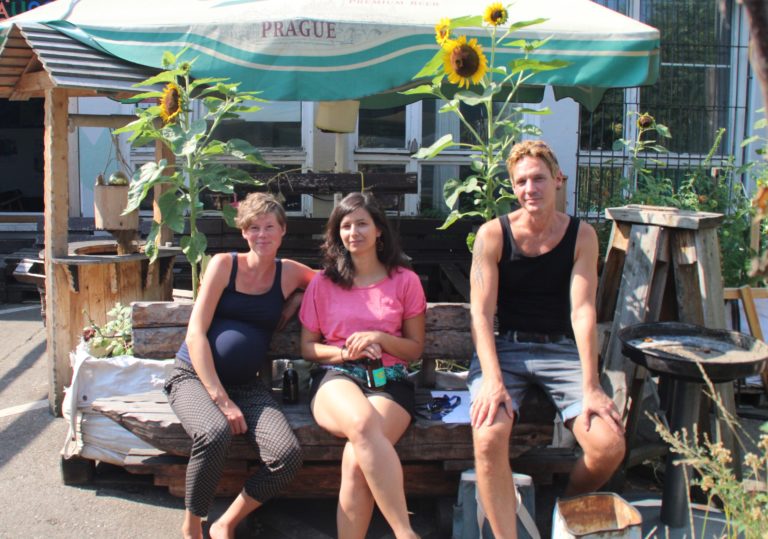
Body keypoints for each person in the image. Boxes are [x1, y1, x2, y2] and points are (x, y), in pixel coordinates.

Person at [468, 140, 626, 538]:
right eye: (521, 182)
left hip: (561, 350)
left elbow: (582, 311)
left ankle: (564, 510)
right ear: (513, 187)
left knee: (608, 446)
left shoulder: (581, 235)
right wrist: (492, 380)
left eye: (538, 178)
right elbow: (481, 314)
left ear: (558, 180)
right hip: (506, 349)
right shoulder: (493, 234)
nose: (530, 189)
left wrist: (591, 386)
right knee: (488, 435)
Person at [164, 193, 316, 539]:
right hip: (194, 378)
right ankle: (192, 526)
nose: (261, 234)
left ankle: (226, 522)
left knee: (287, 455)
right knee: (214, 432)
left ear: (283, 231)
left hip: (247, 385)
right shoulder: (224, 265)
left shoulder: (288, 273)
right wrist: (222, 400)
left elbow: (328, 282)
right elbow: (196, 334)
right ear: (244, 233)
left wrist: (298, 296)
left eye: (269, 227)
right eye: (253, 228)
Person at [299, 192, 426, 539]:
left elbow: (414, 349)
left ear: (379, 230)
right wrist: (344, 354)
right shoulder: (324, 283)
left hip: (390, 379)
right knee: (361, 420)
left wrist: (381, 338)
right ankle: (405, 533)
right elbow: (308, 348)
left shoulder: (404, 280)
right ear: (337, 233)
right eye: (345, 225)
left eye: (361, 224)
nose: (353, 232)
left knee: (356, 461)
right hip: (337, 376)